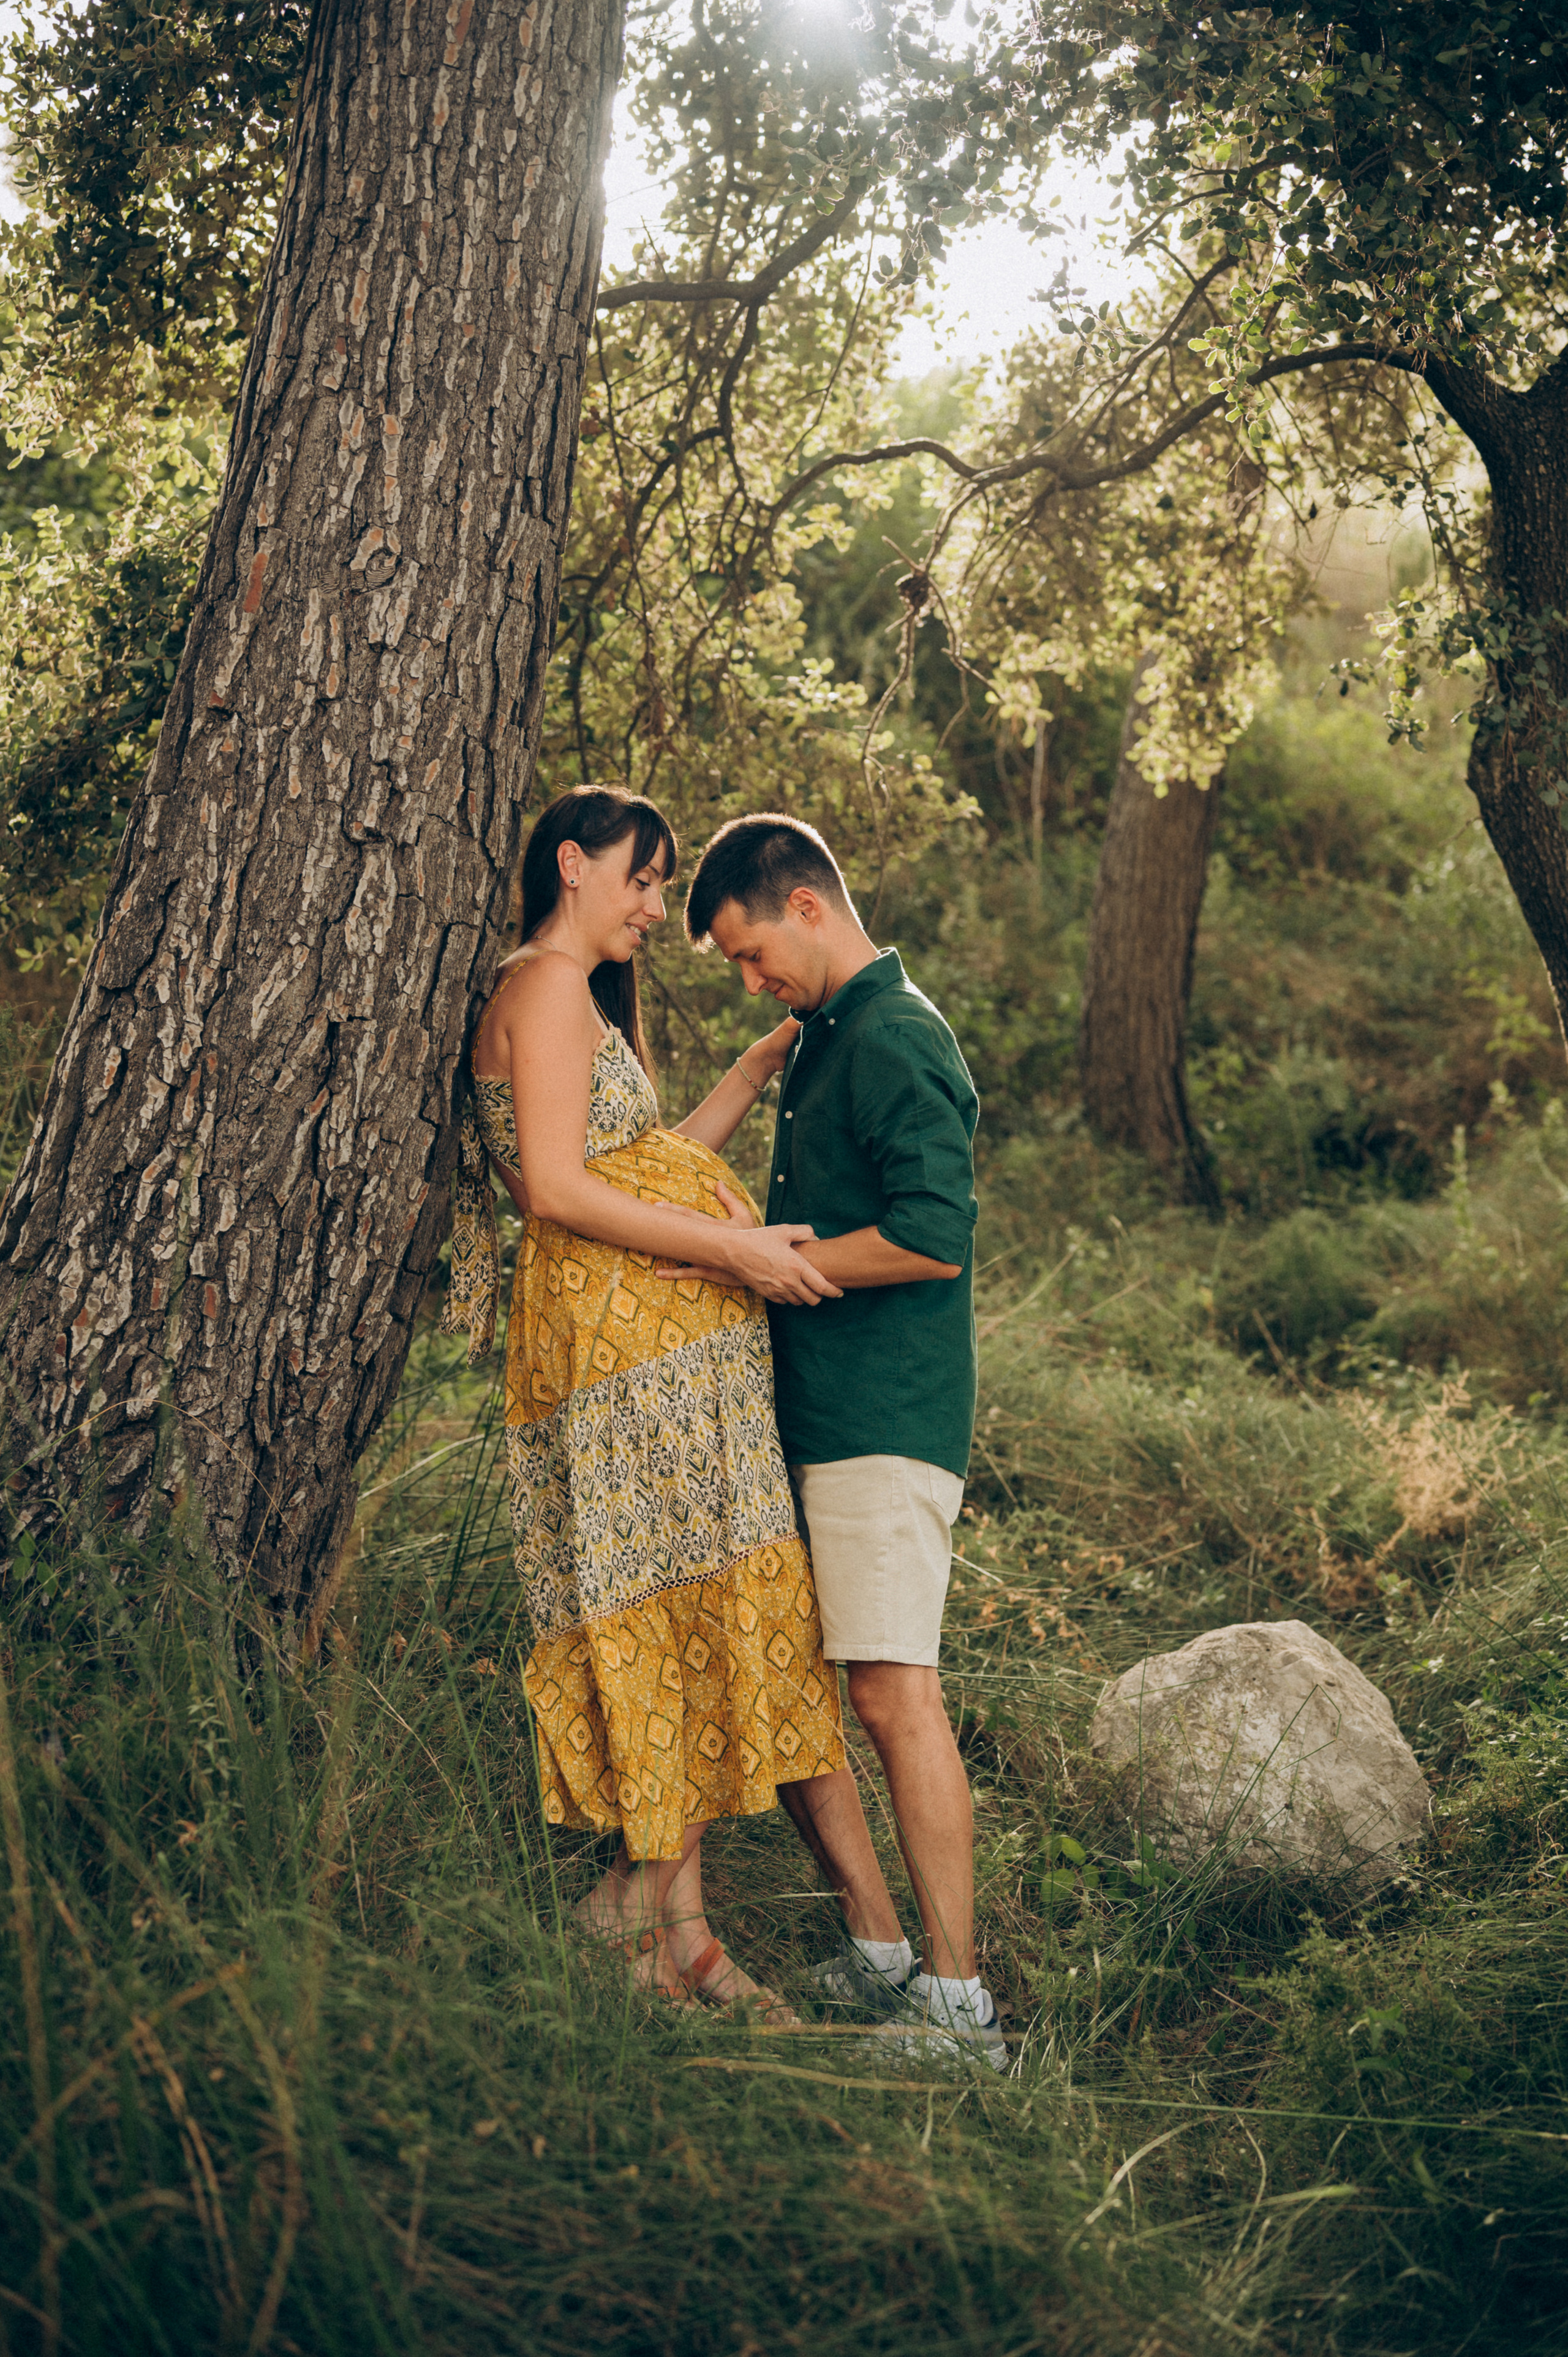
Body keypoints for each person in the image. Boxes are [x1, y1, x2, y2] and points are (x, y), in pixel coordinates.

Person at [442, 784, 872, 2019]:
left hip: (647, 1360)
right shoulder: (540, 986)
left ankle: (678, 1934)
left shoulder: (565, 998)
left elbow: (635, 1163)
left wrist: (742, 1076)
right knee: (652, 1601)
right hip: (615, 1358)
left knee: (674, 1606)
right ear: (572, 865)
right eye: (639, 878)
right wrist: (736, 1254)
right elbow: (558, 1192)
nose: (648, 905)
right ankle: (635, 1907)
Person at [674, 812, 1005, 2070]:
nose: (749, 982)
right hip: (806, 1421)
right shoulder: (817, 1038)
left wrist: (783, 1259)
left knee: (888, 1690)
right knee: (810, 1689)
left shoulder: (898, 1034)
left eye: (753, 953)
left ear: (806, 906)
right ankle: (875, 1951)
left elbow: (932, 1234)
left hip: (885, 1422)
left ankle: (958, 2005)